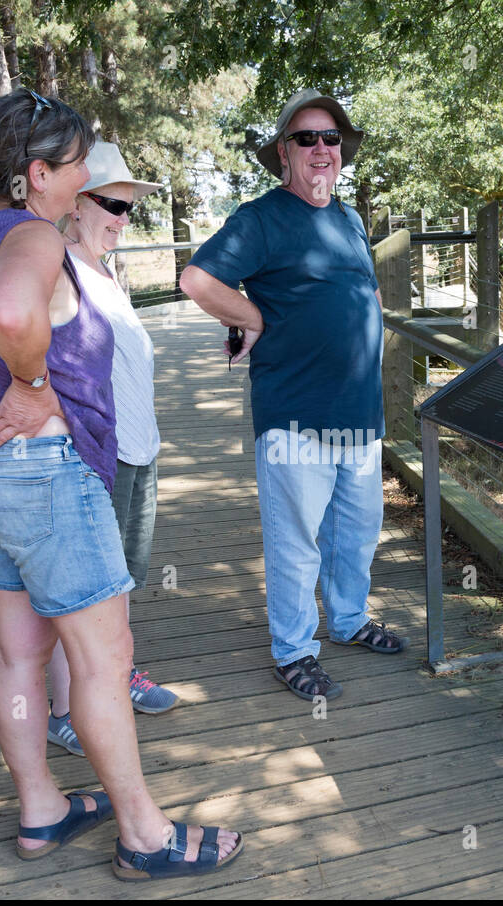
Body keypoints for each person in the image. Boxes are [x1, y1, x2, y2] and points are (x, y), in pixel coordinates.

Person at [0, 89, 241, 880]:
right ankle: (146, 834)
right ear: (37, 173)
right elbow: (14, 312)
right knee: (103, 657)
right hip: (45, 470)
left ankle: (42, 805)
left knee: (17, 653)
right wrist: (32, 380)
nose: (83, 181)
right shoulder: (28, 234)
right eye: (76, 165)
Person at [179, 88, 403, 703]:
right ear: (285, 152)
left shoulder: (351, 219)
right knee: (295, 540)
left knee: (356, 532)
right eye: (308, 138)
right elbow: (197, 279)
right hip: (294, 413)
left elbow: (368, 297)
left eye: (332, 139)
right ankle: (294, 650)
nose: (322, 149)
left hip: (359, 412)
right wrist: (251, 316)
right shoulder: (261, 218)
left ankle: (350, 620)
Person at [45, 142, 178, 760]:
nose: (122, 218)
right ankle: (64, 709)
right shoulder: (57, 265)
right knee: (81, 587)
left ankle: (118, 673)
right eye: (111, 204)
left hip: (138, 449)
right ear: (76, 203)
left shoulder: (105, 269)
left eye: (128, 208)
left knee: (119, 580)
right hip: (96, 452)